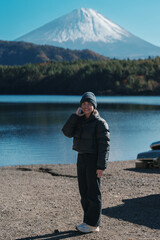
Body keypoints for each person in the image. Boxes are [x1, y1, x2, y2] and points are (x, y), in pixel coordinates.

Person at [62, 92, 110, 233]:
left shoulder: (100, 123)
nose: (86, 106)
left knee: (93, 193)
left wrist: (101, 166)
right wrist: (75, 117)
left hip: (93, 159)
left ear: (94, 105)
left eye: (89, 104)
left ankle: (93, 225)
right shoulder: (79, 120)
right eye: (84, 104)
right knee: (84, 192)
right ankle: (88, 221)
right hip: (81, 158)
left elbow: (104, 146)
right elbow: (66, 132)